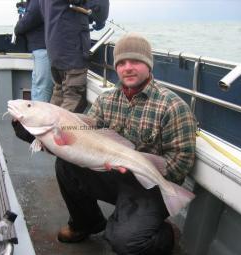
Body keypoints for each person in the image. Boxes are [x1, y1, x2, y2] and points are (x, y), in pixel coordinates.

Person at [55, 33, 196, 254]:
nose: (127, 67)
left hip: (151, 187)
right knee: (65, 164)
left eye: (135, 61)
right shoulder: (105, 100)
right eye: (121, 63)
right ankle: (87, 223)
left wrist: (138, 167)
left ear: (149, 65)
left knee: (123, 242)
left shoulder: (172, 106)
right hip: (114, 175)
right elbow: (85, 135)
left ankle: (168, 235)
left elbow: (182, 162)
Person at [38, 0, 109, 113]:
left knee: (59, 92)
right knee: (74, 98)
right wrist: (100, 19)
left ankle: (49, 129)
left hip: (54, 49)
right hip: (72, 49)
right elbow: (98, 4)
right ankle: (62, 130)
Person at [14, 0, 53, 102]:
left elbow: (28, 20)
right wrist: (26, 6)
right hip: (39, 49)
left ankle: (40, 116)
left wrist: (17, 28)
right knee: (37, 85)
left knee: (42, 87)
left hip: (43, 49)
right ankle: (35, 114)